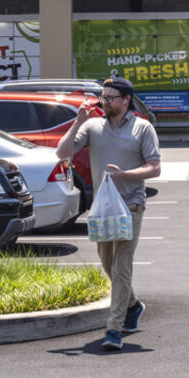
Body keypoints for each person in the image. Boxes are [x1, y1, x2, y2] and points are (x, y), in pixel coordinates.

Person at [56, 76, 161, 351]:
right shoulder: (92, 126)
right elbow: (62, 152)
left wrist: (125, 174)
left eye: (111, 97)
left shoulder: (142, 128)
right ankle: (133, 305)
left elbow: (154, 168)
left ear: (126, 100)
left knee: (121, 266)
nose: (105, 101)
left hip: (131, 205)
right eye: (103, 96)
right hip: (103, 207)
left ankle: (113, 328)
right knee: (107, 263)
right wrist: (78, 121)